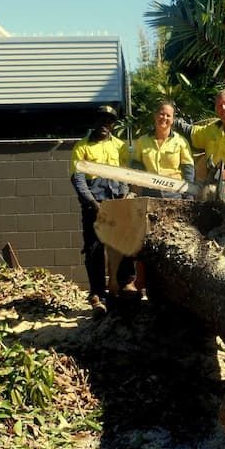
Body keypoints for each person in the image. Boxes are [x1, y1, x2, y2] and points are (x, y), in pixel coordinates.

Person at [69, 105, 136, 317]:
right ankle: (97, 294)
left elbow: (126, 174)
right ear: (95, 122)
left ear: (113, 125)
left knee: (124, 244)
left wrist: (124, 195)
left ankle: (126, 284)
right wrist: (93, 204)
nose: (105, 125)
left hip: (117, 202)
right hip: (95, 205)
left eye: (109, 121)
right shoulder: (82, 147)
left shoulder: (120, 146)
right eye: (101, 121)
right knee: (94, 249)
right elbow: (78, 180)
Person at [131, 100, 195, 198]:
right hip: (149, 194)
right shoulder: (142, 141)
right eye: (161, 114)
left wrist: (189, 197)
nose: (164, 118)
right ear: (155, 116)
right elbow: (136, 168)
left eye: (168, 115)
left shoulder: (181, 142)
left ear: (173, 119)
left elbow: (188, 172)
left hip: (174, 194)